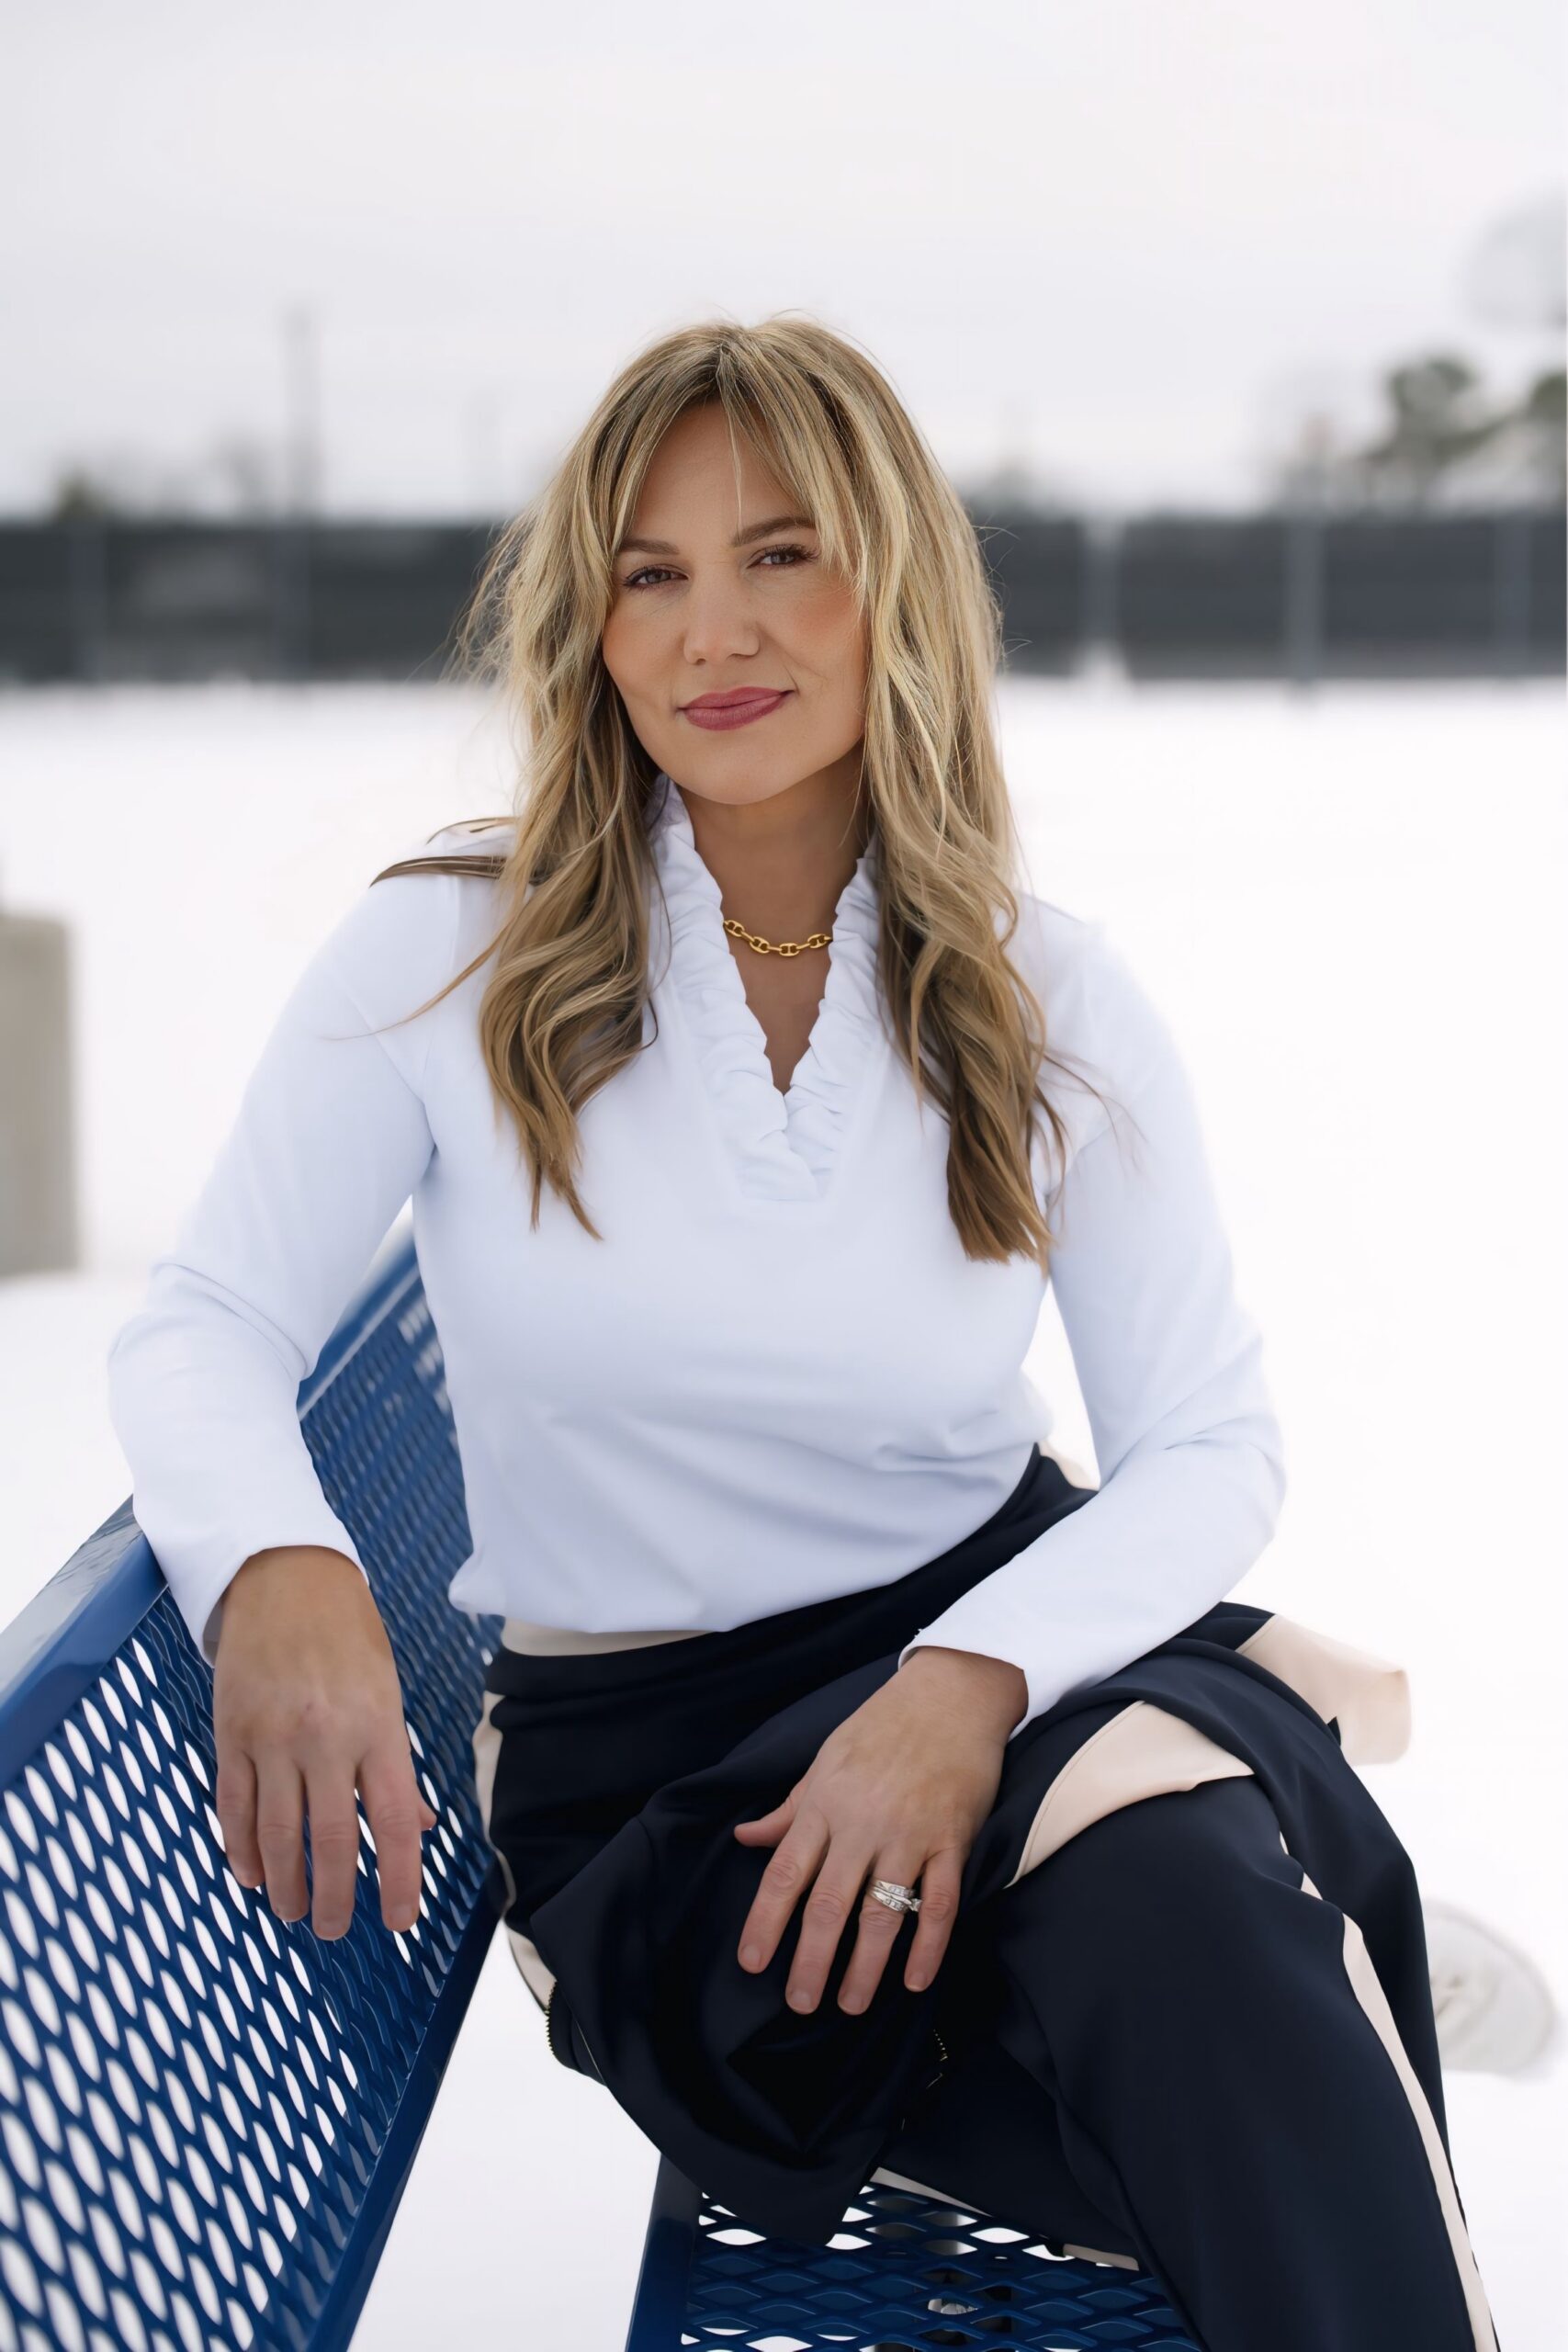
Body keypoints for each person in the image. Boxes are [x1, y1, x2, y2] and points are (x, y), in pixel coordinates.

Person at [105, 314, 1501, 2352]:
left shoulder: (1041, 992)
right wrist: (280, 1558)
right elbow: (204, 1317)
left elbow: (1208, 1439)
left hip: (1000, 1680)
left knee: (1193, 1937)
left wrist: (957, 1686)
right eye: (646, 576)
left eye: (780, 553)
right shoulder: (447, 951)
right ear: (587, 627)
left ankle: (1272, 1933)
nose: (710, 631)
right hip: (668, 1787)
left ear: (893, 581)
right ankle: (1324, 1954)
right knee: (1239, 2064)